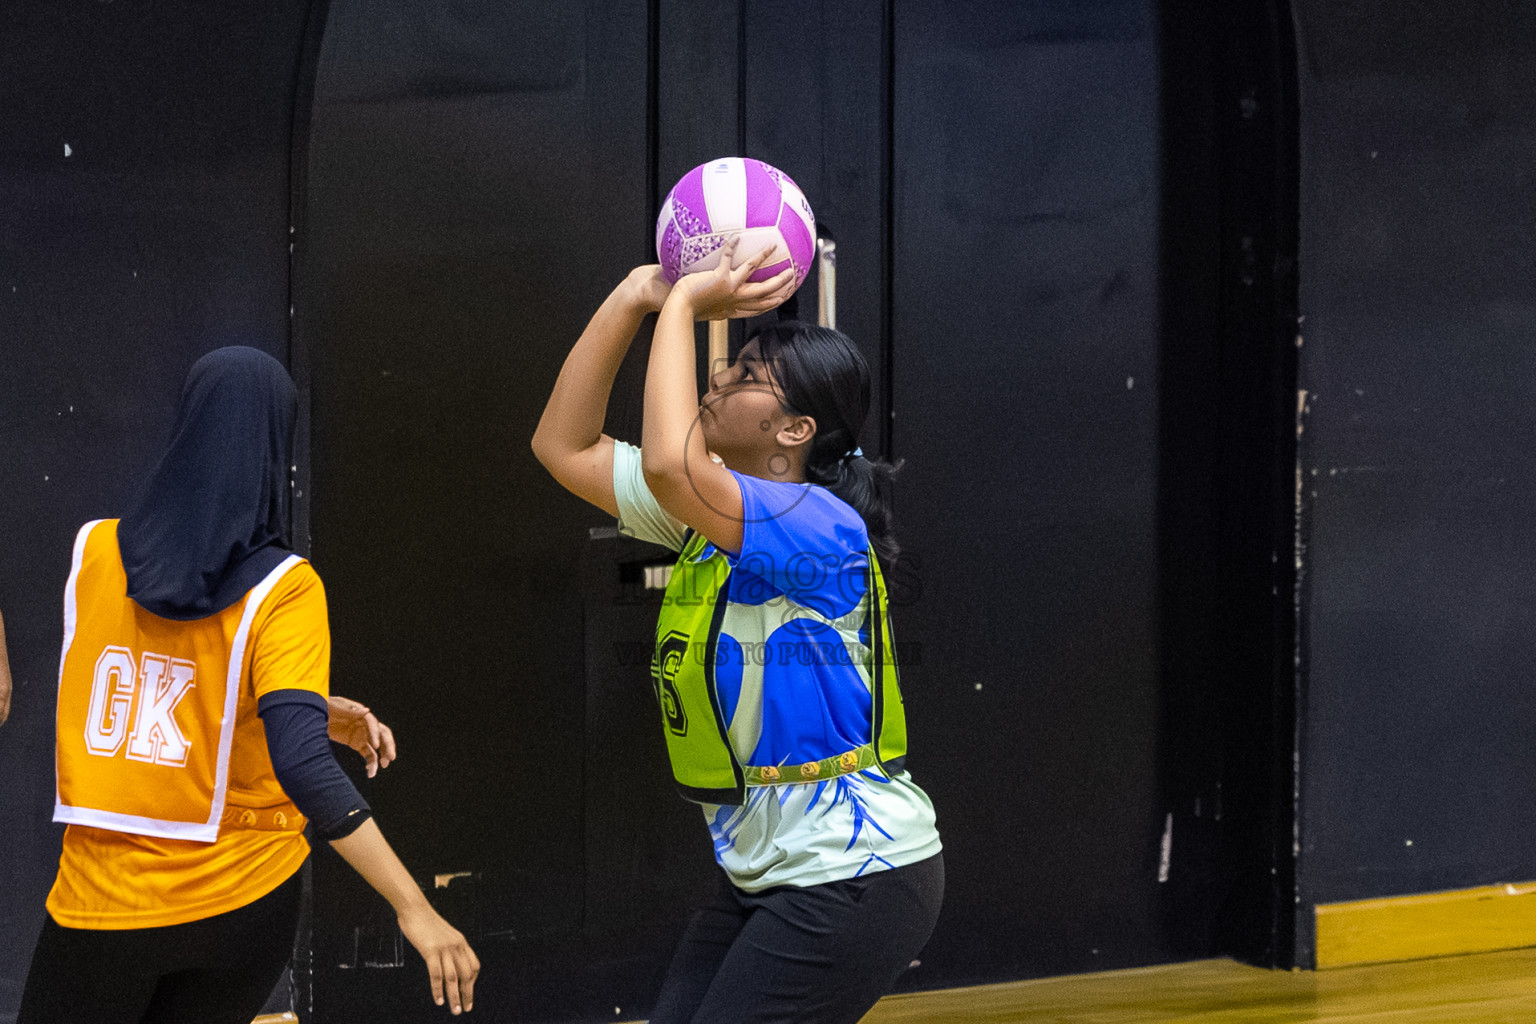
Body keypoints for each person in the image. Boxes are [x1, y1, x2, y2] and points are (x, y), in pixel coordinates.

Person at [532, 246, 943, 1024]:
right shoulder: (709, 520)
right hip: (766, 872)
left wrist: (684, 305)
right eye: (729, 366)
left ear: (795, 431)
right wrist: (631, 298)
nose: (719, 379)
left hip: (856, 876)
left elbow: (664, 464)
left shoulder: (817, 524)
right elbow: (564, 445)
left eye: (748, 376)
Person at [18, 346, 479, 1023]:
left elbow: (154, 695)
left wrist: (304, 708)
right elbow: (292, 756)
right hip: (243, 904)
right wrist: (415, 908)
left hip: (108, 904)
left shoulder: (95, 554)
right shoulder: (285, 586)